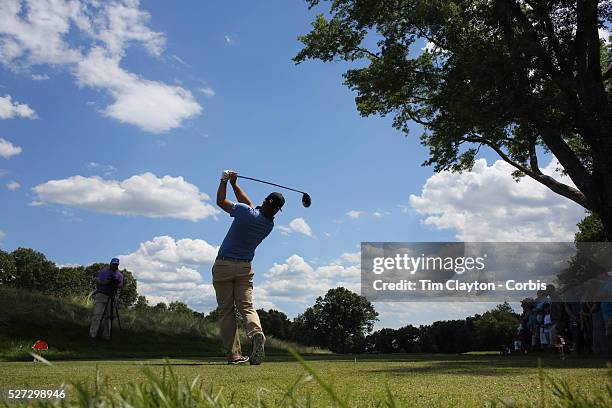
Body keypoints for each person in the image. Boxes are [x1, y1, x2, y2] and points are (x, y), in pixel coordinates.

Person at [213, 170, 284, 365]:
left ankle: (234, 355)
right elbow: (250, 206)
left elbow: (221, 201)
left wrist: (224, 180)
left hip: (224, 265)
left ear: (265, 201)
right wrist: (235, 185)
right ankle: (256, 332)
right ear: (277, 210)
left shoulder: (246, 213)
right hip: (245, 268)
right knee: (246, 307)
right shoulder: (268, 225)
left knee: (226, 311)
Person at [89, 258, 124, 340]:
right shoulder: (103, 271)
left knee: (109, 317)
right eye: (113, 264)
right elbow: (97, 280)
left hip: (111, 296)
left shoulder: (119, 275)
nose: (114, 266)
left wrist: (115, 284)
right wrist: (104, 283)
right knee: (97, 315)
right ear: (110, 264)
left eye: (116, 264)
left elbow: (121, 285)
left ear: (118, 265)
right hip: (101, 294)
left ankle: (106, 336)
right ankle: (92, 335)